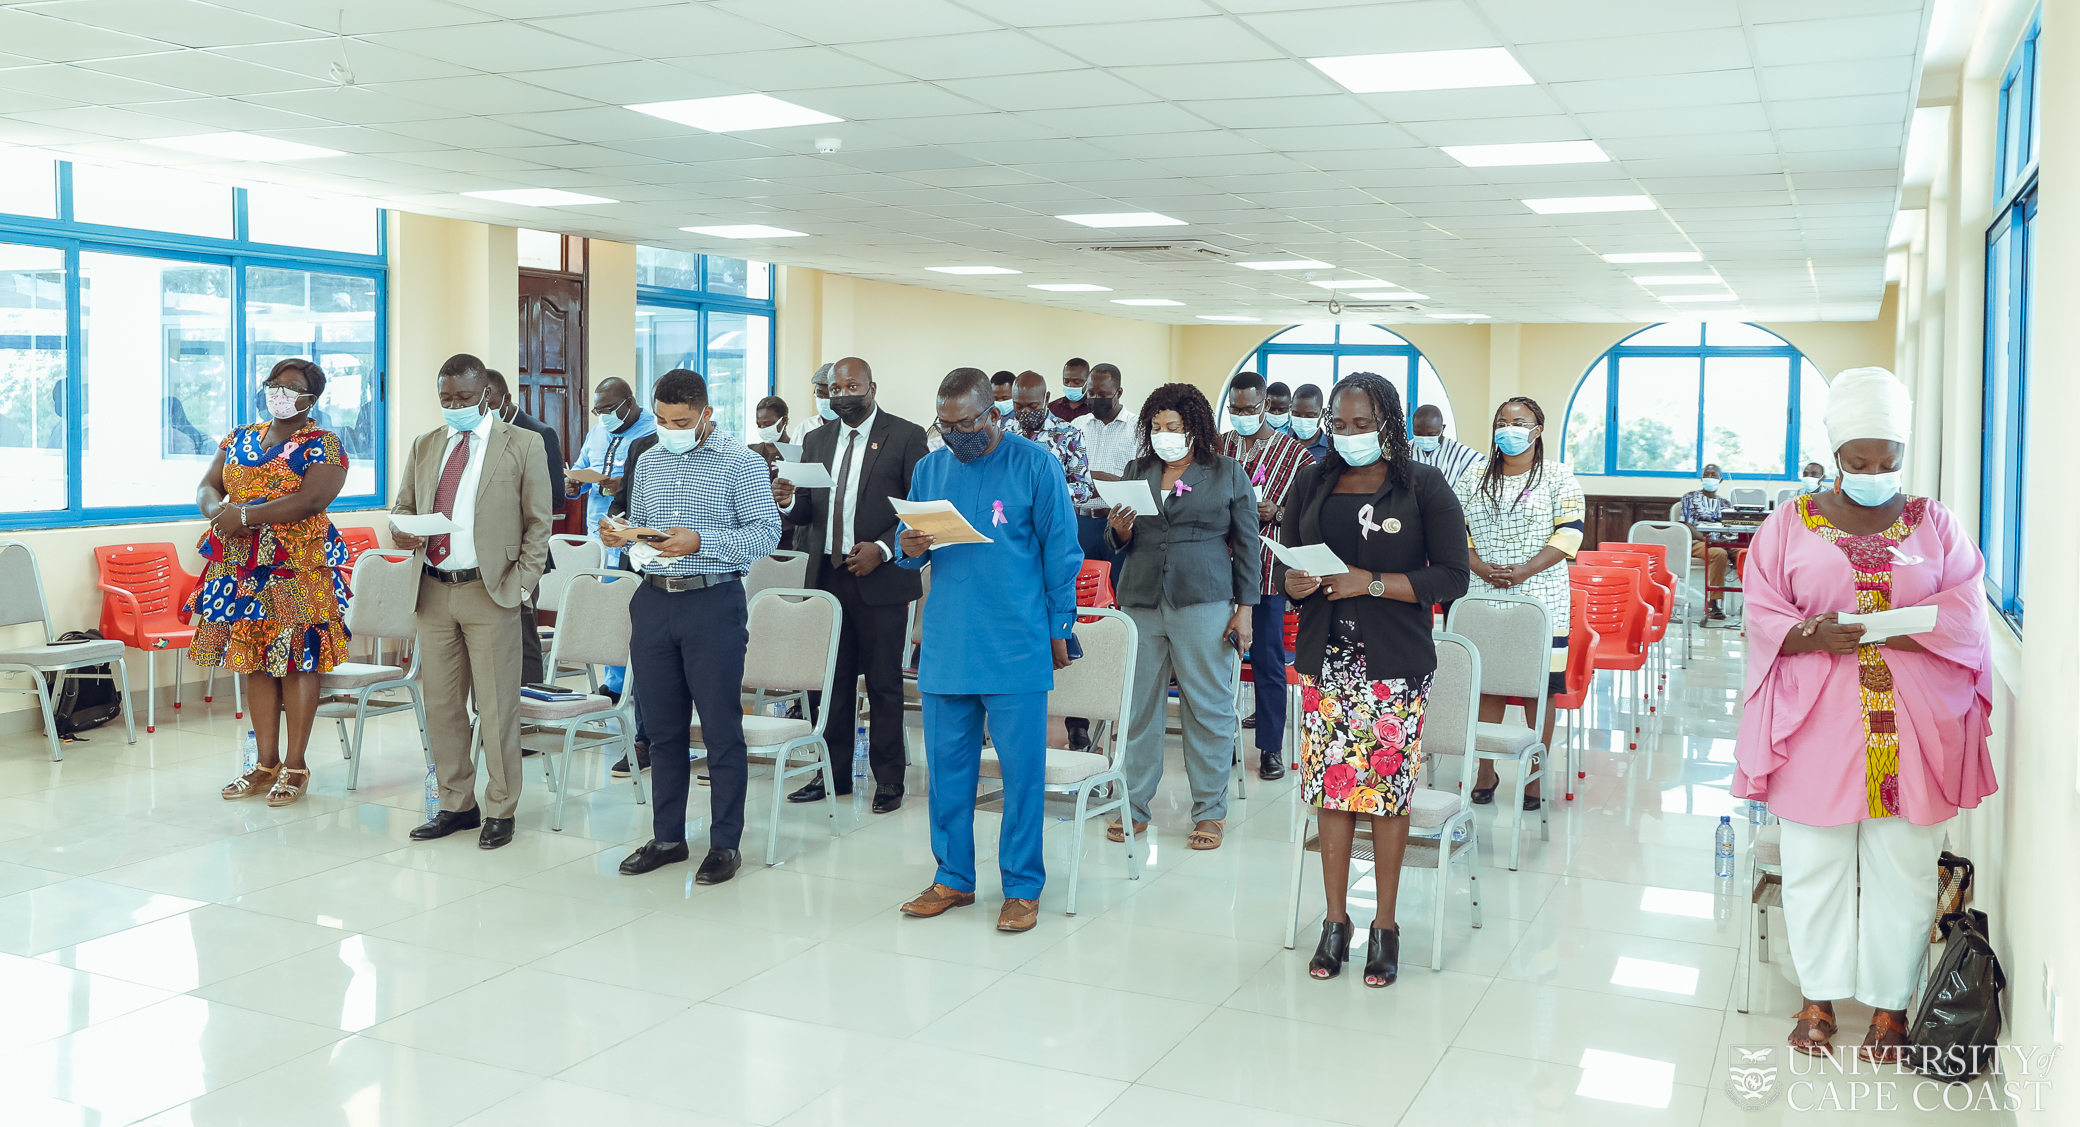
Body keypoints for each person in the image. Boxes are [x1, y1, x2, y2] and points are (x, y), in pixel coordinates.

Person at [1731, 367, 1994, 1063]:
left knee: (1903, 869)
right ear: (1836, 452)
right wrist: (1813, 633)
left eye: (1889, 461)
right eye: (1859, 461)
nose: (1876, 472)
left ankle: (1888, 1007)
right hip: (1818, 719)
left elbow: (1968, 611)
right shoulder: (1791, 522)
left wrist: (1900, 628)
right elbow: (1760, 608)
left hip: (1912, 727)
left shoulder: (1934, 523)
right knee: (1813, 862)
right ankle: (1816, 998)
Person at [1279, 373, 1468, 987]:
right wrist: (1295, 585)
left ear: (1387, 423)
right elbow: (1287, 562)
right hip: (1326, 660)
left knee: (1387, 798)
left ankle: (1384, 924)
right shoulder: (1311, 480)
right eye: (1341, 423)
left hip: (1394, 666)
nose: (1350, 434)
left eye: (1362, 424)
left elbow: (1452, 577)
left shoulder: (1423, 486)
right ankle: (1336, 923)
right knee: (1332, 793)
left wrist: (1375, 583)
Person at [896, 368, 1081, 934]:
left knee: (1021, 775)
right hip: (949, 640)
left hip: (1015, 641)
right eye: (944, 425)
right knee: (948, 770)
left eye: (965, 423)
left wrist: (1059, 628)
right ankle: (953, 877)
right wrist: (907, 549)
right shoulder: (930, 468)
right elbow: (915, 556)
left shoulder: (1035, 465)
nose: (955, 434)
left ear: (991, 413)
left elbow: (1062, 552)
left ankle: (1022, 886)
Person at [605, 369, 783, 883]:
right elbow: (644, 525)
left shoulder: (740, 462)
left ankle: (725, 842)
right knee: (661, 729)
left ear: (705, 413)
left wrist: (701, 542)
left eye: (680, 420)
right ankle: (668, 837)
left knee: (720, 729)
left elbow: (765, 533)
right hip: (653, 601)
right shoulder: (650, 457)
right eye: (661, 419)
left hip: (712, 602)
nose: (668, 428)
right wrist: (625, 538)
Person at [391, 353, 553, 851]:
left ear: (485, 394)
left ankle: (501, 807)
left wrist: (522, 584)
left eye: (464, 398)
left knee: (497, 705)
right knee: (441, 705)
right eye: (446, 399)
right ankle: (456, 803)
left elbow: (538, 522)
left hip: (492, 590)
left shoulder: (522, 444)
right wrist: (401, 530)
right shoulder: (425, 445)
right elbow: (402, 507)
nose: (455, 406)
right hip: (434, 589)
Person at [1104, 382, 1257, 851]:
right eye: (1156, 427)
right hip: (1142, 599)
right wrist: (1118, 530)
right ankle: (1132, 806)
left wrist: (1245, 610)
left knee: (1206, 707)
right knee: (1138, 708)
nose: (1164, 434)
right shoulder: (1137, 470)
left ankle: (1210, 812)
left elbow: (1248, 544)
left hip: (1204, 600)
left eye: (1173, 427)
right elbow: (1118, 543)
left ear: (1195, 428)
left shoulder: (1227, 472)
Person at [772, 356, 928, 813]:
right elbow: (807, 515)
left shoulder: (905, 435)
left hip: (880, 577)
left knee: (882, 684)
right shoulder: (817, 439)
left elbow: (916, 508)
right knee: (830, 684)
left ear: (872, 387)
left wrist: (881, 548)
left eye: (851, 387)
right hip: (828, 576)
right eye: (835, 389)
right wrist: (787, 501)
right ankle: (831, 776)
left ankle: (888, 783)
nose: (843, 395)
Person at [194, 358, 351, 809]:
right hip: (240, 566)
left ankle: (296, 766)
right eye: (273, 384)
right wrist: (216, 512)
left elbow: (310, 499)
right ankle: (265, 763)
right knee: (255, 659)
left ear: (312, 398)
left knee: (297, 659)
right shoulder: (239, 437)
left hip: (295, 567)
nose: (279, 392)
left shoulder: (323, 444)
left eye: (291, 387)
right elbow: (208, 485)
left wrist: (245, 515)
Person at [1455, 395, 1585, 810]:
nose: (1508, 428)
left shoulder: (1559, 477)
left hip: (1541, 595)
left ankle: (1534, 773)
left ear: (1537, 430)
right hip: (1482, 592)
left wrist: (1524, 570)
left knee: (1537, 688)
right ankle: (1485, 768)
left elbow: (1569, 535)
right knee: (1486, 685)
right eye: (1501, 421)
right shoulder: (1473, 476)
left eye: (1519, 421)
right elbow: (1456, 530)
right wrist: (1477, 566)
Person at [1222, 370, 1316, 780]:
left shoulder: (1297, 456)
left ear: (1265, 406)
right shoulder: (1217, 447)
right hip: (1215, 569)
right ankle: (1220, 741)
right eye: (1235, 409)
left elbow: (1310, 514)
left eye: (1250, 409)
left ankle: (1270, 748)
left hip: (1265, 572)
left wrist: (1275, 512)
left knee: (1267, 661)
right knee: (1214, 662)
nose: (1243, 416)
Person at [568, 377, 655, 721]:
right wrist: (574, 483)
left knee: (631, 612)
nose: (603, 416)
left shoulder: (652, 431)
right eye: (598, 410)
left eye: (608, 410)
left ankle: (637, 682)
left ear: (628, 403)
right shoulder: (598, 431)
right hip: (598, 532)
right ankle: (614, 682)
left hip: (634, 537)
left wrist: (624, 485)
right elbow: (581, 468)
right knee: (607, 611)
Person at [483, 370, 563, 687]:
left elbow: (555, 495)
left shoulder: (539, 433)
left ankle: (530, 711)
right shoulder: (477, 434)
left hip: (523, 551)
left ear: (506, 399)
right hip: (483, 553)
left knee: (523, 633)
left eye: (489, 403)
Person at [1072, 362, 1138, 576]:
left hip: (1120, 525)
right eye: (1090, 393)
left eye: (1102, 394)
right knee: (1083, 594)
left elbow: (1140, 483)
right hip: (1081, 523)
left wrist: (1092, 479)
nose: (1094, 399)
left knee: (1118, 592)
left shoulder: (1138, 429)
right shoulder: (1077, 426)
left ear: (1118, 392)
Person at [1007, 371, 1096, 510]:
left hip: (1052, 516)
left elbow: (1085, 488)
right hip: (1012, 518)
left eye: (1032, 406)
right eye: (1018, 406)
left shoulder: (1068, 434)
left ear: (1046, 398)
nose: (1025, 411)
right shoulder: (1006, 434)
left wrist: (1051, 491)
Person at [1680, 462, 1735, 620]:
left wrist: (1726, 540)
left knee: (1745, 554)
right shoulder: (1690, 497)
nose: (1709, 478)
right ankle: (1714, 602)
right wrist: (1706, 539)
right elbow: (1686, 524)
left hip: (1720, 542)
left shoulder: (1725, 504)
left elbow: (1729, 527)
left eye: (1713, 475)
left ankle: (1752, 604)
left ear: (1721, 480)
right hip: (1697, 542)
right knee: (1718, 554)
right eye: (1707, 475)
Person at [1410, 403, 1482, 487]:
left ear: (1442, 428)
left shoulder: (1460, 452)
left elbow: (1482, 467)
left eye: (1431, 435)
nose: (1424, 438)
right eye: (1418, 434)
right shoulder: (1404, 450)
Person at [1289, 383, 1330, 463]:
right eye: (1296, 414)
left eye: (1310, 415)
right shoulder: (1282, 445)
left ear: (1322, 413)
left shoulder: (1332, 451)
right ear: (1290, 409)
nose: (1302, 420)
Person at [799, 362, 836, 447]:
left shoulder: (850, 428)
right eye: (820, 393)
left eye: (830, 395)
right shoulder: (805, 427)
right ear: (814, 392)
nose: (825, 399)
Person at [749, 395, 791, 468]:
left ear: (784, 421)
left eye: (768, 424)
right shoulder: (751, 452)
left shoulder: (795, 453)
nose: (763, 429)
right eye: (759, 425)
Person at [1051, 356, 1091, 423]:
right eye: (1066, 381)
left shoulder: (1095, 409)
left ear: (1089, 381)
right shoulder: (1052, 408)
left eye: (1076, 382)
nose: (1070, 385)